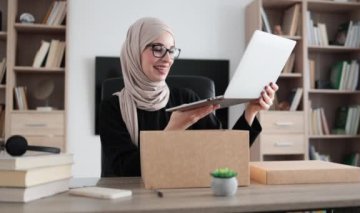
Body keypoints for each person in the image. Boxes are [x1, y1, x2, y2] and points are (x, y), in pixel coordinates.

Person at [99, 17, 278, 177]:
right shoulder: (112, 107)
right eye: (158, 48)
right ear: (134, 51)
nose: (168, 58)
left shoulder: (187, 99)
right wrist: (173, 130)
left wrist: (251, 111)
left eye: (171, 50)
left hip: (182, 195)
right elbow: (124, 172)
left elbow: (226, 155)